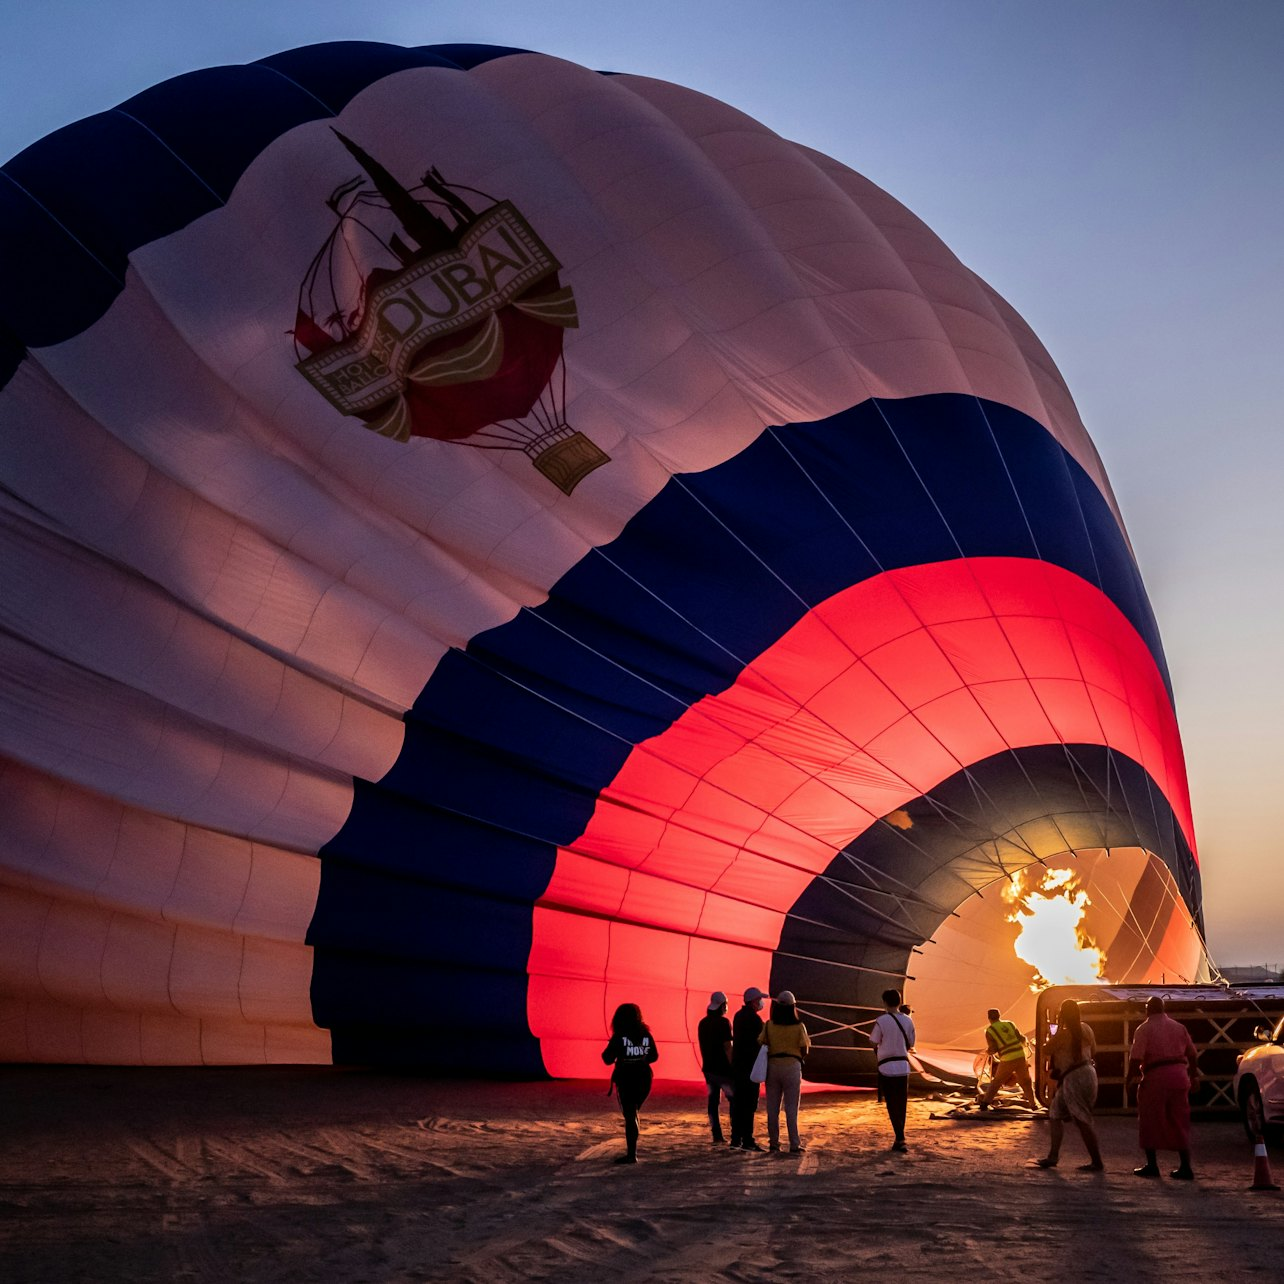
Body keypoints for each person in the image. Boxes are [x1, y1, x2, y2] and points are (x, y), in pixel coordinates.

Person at [1125, 996, 1199, 1180]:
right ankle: (1185, 1166)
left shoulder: (1144, 1029)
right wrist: (1194, 1075)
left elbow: (1135, 1059)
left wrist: (1129, 1081)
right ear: (1163, 1008)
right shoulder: (1178, 1027)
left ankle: (1152, 1165)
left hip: (1156, 1077)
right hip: (1179, 1077)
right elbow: (1192, 1053)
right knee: (1179, 1120)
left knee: (1149, 1119)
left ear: (1147, 1009)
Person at [1033, 998, 1104, 1171]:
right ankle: (1053, 1156)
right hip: (1088, 1073)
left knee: (1082, 1120)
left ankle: (1097, 1162)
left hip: (1074, 1077)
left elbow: (1046, 1049)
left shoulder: (1063, 1034)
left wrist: (1052, 1033)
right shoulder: (1086, 1029)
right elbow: (1094, 1050)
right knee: (1055, 1113)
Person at [601, 1002, 659, 1164]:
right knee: (633, 1111)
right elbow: (654, 1056)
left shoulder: (619, 1036)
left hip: (626, 1078)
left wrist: (623, 1054)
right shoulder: (646, 1035)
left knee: (630, 1114)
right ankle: (632, 1150)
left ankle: (631, 1154)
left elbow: (607, 1058)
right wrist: (640, 1058)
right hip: (644, 1078)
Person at [758, 990, 811, 1153]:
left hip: (773, 1066)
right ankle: (794, 1143)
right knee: (791, 1108)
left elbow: (761, 1042)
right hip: (792, 1066)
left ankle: (774, 1143)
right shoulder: (799, 1026)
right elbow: (805, 1048)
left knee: (772, 1108)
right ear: (793, 1007)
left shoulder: (769, 1025)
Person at [869, 988, 916, 1152]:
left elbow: (873, 1041)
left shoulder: (881, 1020)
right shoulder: (908, 1020)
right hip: (903, 1066)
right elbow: (911, 1042)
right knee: (901, 1103)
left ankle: (899, 1136)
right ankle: (900, 1137)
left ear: (884, 1003)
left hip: (886, 1066)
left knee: (892, 1103)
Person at [977, 1008, 1038, 1110]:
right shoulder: (1010, 1024)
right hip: (1020, 1056)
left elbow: (993, 1048)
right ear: (999, 1015)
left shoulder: (990, 1031)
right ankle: (1033, 1105)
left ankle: (984, 1104)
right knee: (1026, 1081)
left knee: (997, 1081)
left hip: (1007, 1059)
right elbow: (1021, 1038)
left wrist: (987, 1052)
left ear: (989, 1018)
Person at [730, 986, 768, 1150]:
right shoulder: (754, 1020)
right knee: (749, 1104)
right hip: (751, 1067)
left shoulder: (738, 1016)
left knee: (737, 1104)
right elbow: (761, 1042)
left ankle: (735, 1138)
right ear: (753, 1001)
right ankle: (747, 1140)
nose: (761, 1003)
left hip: (738, 1066)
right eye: (759, 999)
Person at [697, 990, 735, 1145]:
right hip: (724, 1070)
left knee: (713, 1102)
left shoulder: (703, 1023)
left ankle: (716, 1134)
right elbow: (728, 1047)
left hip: (709, 1069)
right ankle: (735, 1132)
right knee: (734, 1100)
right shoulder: (724, 1023)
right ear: (722, 1006)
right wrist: (734, 1066)